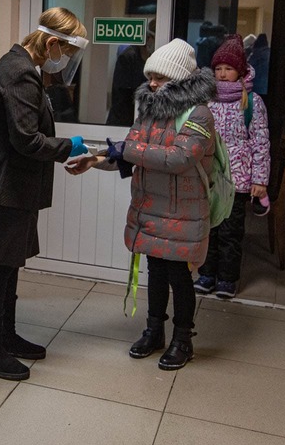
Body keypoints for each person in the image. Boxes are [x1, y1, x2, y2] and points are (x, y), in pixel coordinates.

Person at [68, 38, 215, 370]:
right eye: (150, 76)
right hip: (150, 207)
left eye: (160, 77)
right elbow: (130, 151)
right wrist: (95, 160)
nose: (152, 83)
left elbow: (178, 158)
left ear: (179, 79)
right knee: (156, 271)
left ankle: (183, 340)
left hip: (183, 213)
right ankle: (154, 331)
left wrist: (125, 150)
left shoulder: (200, 114)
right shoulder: (151, 110)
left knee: (179, 276)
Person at [0, 7, 89, 381]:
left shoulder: (20, 65)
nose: (64, 60)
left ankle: (5, 337)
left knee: (9, 264)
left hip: (10, 188)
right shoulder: (20, 72)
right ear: (51, 43)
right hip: (2, 188)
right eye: (65, 52)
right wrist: (68, 147)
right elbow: (26, 140)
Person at [193, 34, 270, 299]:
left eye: (228, 68)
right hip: (210, 177)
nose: (223, 74)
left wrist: (260, 180)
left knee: (230, 231)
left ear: (240, 71)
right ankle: (206, 274)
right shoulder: (207, 99)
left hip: (238, 180)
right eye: (218, 68)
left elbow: (261, 142)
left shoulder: (252, 103)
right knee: (209, 228)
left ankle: (227, 279)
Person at [107, 22, 156, 127]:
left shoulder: (154, 58)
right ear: (148, 37)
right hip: (123, 120)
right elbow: (122, 98)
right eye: (152, 37)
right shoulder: (128, 57)